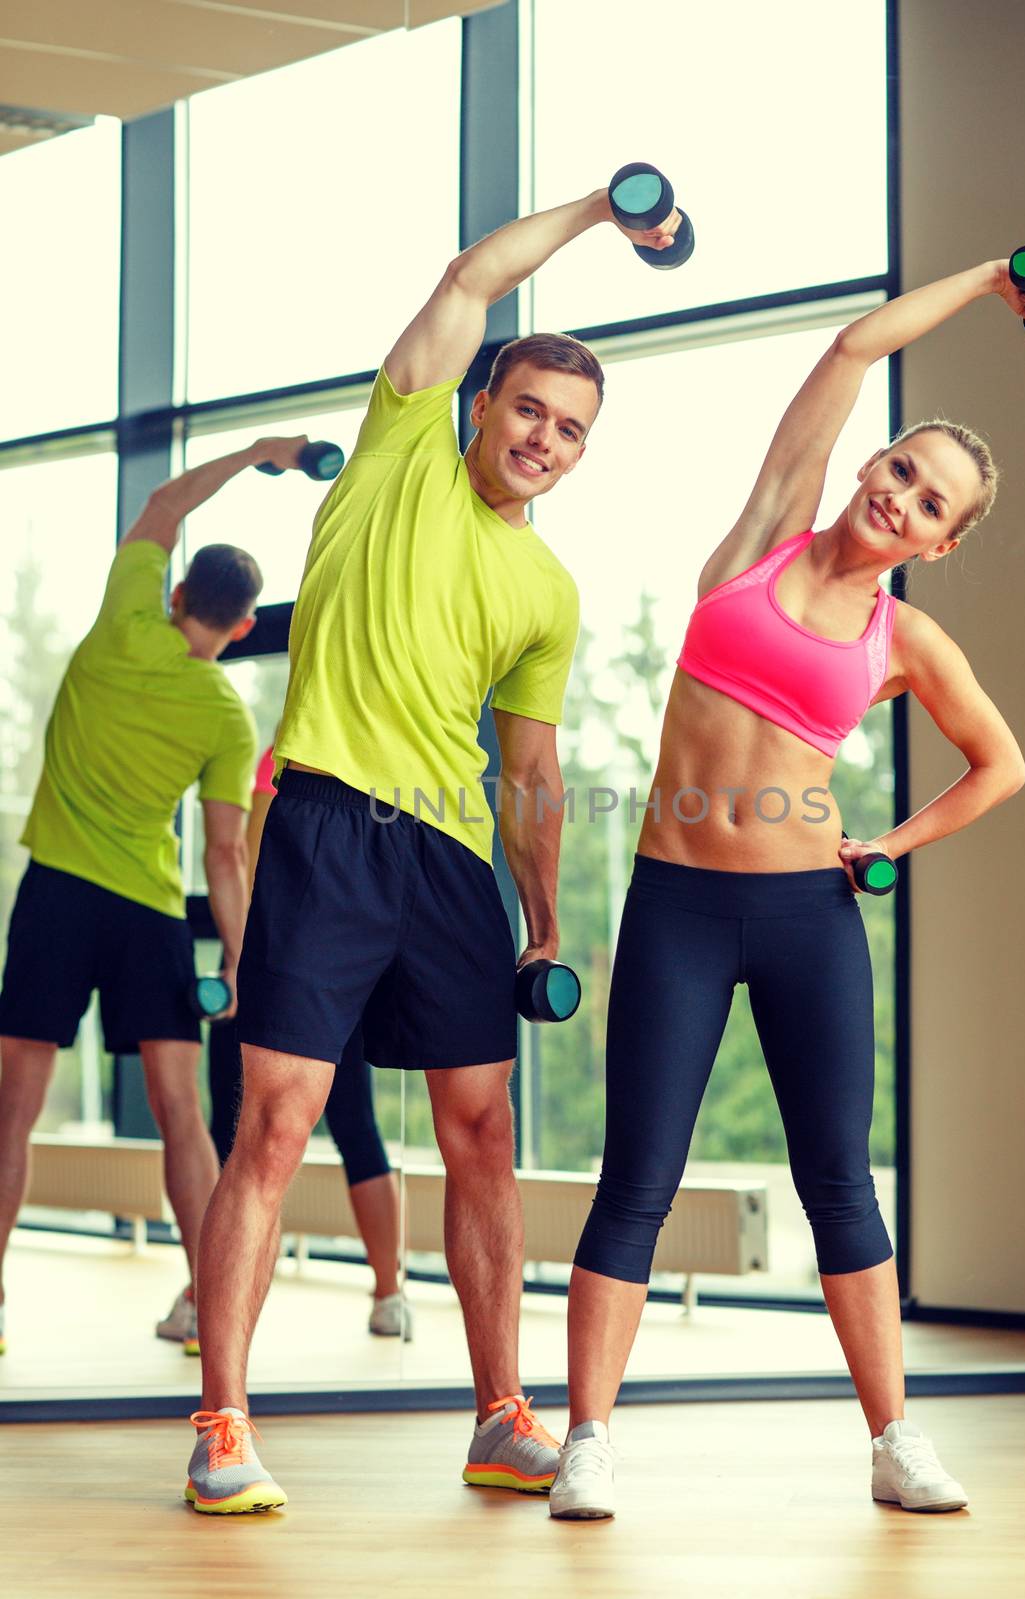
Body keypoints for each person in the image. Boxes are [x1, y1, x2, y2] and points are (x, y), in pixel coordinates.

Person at [183, 181, 686, 1515]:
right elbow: (469, 279)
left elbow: (529, 769)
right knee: (275, 1122)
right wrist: (599, 214)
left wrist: (544, 920)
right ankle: (223, 1421)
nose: (543, 438)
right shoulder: (401, 446)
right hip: (328, 830)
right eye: (526, 408)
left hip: (452, 868)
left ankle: (500, 1416)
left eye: (569, 431)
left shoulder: (548, 590)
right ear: (475, 403)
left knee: (480, 1128)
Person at [549, 258, 1025, 1520]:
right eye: (901, 470)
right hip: (673, 902)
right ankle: (588, 1441)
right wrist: (996, 277)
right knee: (637, 1179)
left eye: (931, 504)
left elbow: (1002, 764)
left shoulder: (906, 641)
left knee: (839, 1177)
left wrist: (893, 844)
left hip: (803, 920)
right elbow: (847, 348)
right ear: (871, 465)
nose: (902, 500)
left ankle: (894, 1440)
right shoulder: (766, 529)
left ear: (942, 540)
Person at [0, 436, 311, 1359]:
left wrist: (261, 453)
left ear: (176, 593)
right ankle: (204, 1303)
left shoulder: (122, 622)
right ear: (245, 626)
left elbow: (166, 505)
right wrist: (240, 960)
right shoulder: (226, 713)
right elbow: (224, 854)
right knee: (181, 1112)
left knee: (14, 1107)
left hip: (57, 896)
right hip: (147, 914)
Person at [206, 746, 412, 1340]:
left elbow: (245, 857)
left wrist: (237, 962)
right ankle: (389, 1292)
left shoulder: (284, 755)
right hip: (347, 963)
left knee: (242, 1142)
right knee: (355, 1129)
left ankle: (204, 1297)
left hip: (279, 966)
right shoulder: (364, 749)